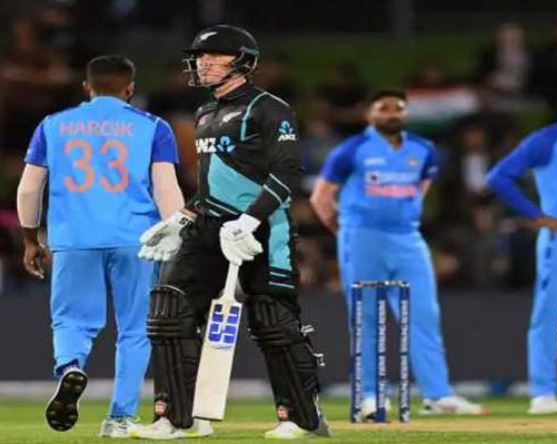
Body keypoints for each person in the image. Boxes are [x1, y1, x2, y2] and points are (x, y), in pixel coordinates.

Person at [129, 25, 330, 440]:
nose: (202, 63)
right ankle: (176, 419)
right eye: (199, 56)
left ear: (242, 61)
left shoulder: (269, 108)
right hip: (208, 227)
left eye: (213, 55)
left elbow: (288, 171)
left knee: (273, 320)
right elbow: (211, 185)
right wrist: (181, 219)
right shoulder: (205, 113)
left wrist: (250, 220)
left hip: (262, 229)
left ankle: (301, 418)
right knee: (169, 310)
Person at [16, 55, 183, 437]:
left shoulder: (53, 126)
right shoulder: (153, 127)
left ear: (86, 87)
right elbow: (166, 188)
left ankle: (71, 366)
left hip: (74, 239)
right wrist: (176, 233)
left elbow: (29, 188)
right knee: (135, 329)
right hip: (136, 239)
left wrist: (30, 239)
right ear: (130, 89)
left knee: (71, 320)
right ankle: (120, 418)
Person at [310, 89, 486, 418]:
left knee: (425, 315)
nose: (391, 114)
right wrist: (345, 230)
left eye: (398, 109)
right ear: (369, 114)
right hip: (363, 237)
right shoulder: (351, 149)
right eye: (384, 108)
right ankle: (370, 396)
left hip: (407, 238)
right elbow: (321, 197)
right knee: (366, 317)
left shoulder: (423, 150)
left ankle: (438, 395)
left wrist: (401, 217)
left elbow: (419, 193)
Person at [486, 77, 557, 414]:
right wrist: (538, 216)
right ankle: (543, 392)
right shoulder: (548, 139)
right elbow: (499, 177)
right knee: (550, 317)